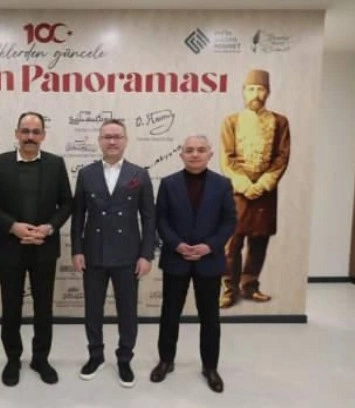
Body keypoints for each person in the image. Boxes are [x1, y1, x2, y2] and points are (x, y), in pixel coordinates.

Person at [0, 111, 72, 386]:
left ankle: (40, 359)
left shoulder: (56, 164)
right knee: (11, 308)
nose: (30, 136)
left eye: (35, 132)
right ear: (17, 133)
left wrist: (49, 228)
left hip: (44, 247)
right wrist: (12, 226)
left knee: (44, 309)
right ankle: (12, 359)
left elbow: (67, 203)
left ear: (43, 135)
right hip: (11, 247)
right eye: (25, 131)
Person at [71, 119, 156, 388]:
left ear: (125, 140)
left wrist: (146, 254)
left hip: (128, 254)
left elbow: (149, 218)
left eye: (117, 136)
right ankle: (95, 356)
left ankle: (124, 359)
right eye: (107, 136)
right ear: (99, 140)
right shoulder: (86, 174)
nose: (112, 141)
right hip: (93, 253)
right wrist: (77, 250)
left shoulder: (139, 174)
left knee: (127, 311)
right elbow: (78, 216)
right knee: (93, 309)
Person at [151, 135, 236, 393]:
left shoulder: (222, 184)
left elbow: (229, 221)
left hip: (209, 260)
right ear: (181, 155)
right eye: (189, 150)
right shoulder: (168, 183)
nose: (195, 154)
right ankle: (166, 361)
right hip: (176, 259)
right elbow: (161, 219)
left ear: (210, 154)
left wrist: (209, 246)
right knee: (170, 314)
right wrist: (177, 244)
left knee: (210, 317)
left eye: (200, 150)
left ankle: (210, 367)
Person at [219, 69, 290, 308]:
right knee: (232, 242)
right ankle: (229, 289)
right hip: (237, 191)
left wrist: (262, 184)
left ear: (268, 92)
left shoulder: (280, 122)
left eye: (260, 89)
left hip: (265, 192)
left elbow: (282, 157)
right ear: (243, 92)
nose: (256, 94)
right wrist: (243, 185)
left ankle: (250, 286)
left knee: (259, 241)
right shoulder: (231, 121)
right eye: (251, 89)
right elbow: (227, 158)